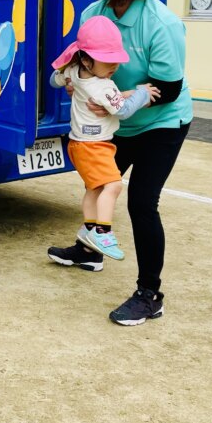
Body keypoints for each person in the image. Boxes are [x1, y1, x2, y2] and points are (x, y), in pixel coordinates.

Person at [47, 0, 193, 327]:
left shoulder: (161, 24)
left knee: (141, 203)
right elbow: (80, 64)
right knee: (97, 182)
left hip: (162, 121)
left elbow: (168, 88)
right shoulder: (92, 15)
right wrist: (77, 83)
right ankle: (90, 251)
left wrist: (124, 99)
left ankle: (150, 295)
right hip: (118, 121)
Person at [49, 16, 158, 261]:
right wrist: (142, 94)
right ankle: (102, 232)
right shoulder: (103, 87)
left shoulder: (74, 73)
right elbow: (123, 110)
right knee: (114, 185)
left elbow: (53, 80)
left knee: (95, 188)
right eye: (107, 61)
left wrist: (66, 67)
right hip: (95, 146)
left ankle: (89, 229)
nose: (114, 66)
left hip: (79, 144)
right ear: (86, 60)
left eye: (116, 60)